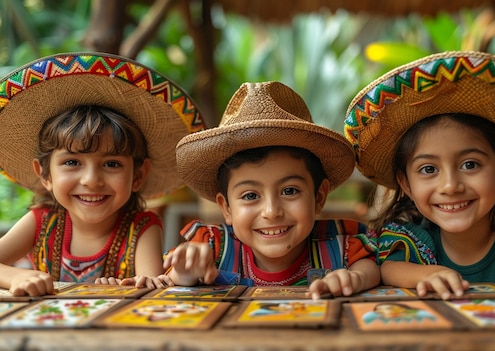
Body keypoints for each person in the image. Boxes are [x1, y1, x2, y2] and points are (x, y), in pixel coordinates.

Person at [344, 51, 495, 309]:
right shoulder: (409, 237)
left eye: (470, 165)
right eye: (428, 169)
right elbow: (389, 268)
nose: (450, 186)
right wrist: (426, 274)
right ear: (406, 185)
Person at [0, 52, 204, 296]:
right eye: (72, 162)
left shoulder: (142, 229)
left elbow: (151, 288)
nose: (91, 180)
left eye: (111, 164)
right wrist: (16, 276)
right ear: (45, 175)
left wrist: (123, 289)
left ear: (138, 175)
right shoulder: (40, 222)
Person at [160, 81, 380, 299]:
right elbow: (176, 277)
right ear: (226, 208)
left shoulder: (340, 244)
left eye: (290, 191)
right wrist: (187, 271)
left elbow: (370, 269)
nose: (272, 211)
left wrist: (355, 278)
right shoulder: (212, 248)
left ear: (319, 197)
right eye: (251, 196)